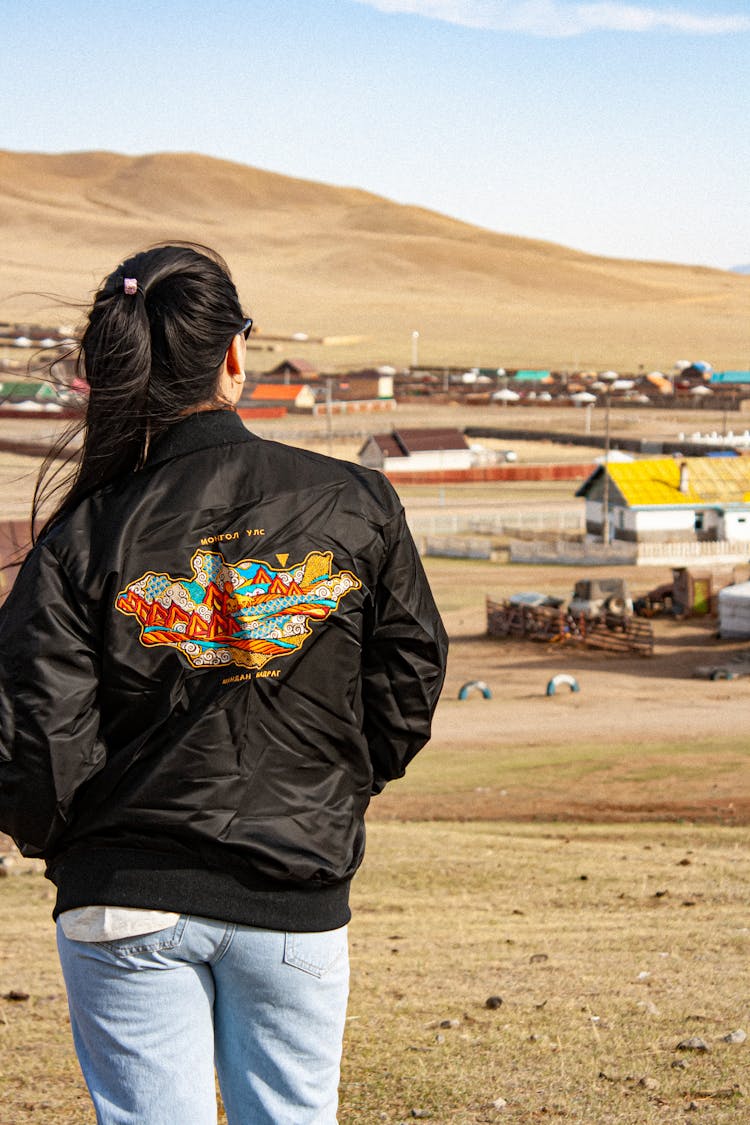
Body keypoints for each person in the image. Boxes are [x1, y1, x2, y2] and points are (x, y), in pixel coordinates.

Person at [0, 244, 448, 1125]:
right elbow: (407, 686)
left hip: (121, 897)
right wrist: (327, 787)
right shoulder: (358, 502)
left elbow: (32, 736)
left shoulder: (78, 537)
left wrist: (87, 848)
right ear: (235, 355)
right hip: (296, 889)